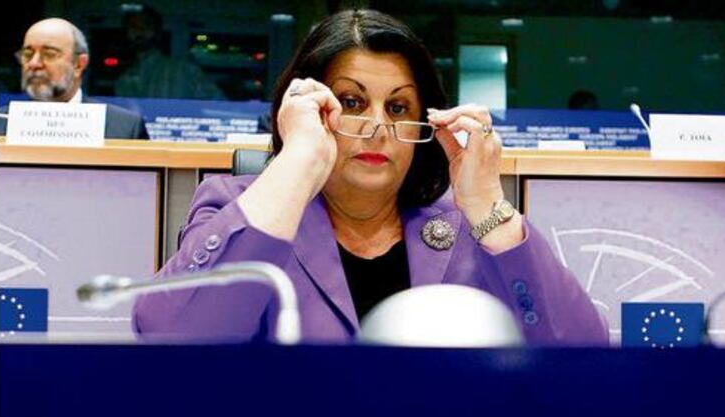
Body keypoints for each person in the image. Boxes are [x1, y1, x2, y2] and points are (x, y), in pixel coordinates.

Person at [133, 9, 607, 345]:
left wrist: (489, 210)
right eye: (352, 102)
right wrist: (297, 161)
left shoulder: (467, 230)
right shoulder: (240, 205)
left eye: (398, 107)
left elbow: (582, 354)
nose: (378, 126)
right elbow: (169, 336)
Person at [0, 18, 149, 140]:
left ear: (78, 64)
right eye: (28, 54)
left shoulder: (124, 127)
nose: (34, 63)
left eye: (49, 54)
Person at [114, 4, 224, 100]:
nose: (140, 31)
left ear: (158, 33)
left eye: (146, 25)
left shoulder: (185, 70)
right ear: (126, 32)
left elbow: (218, 106)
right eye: (134, 26)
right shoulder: (123, 81)